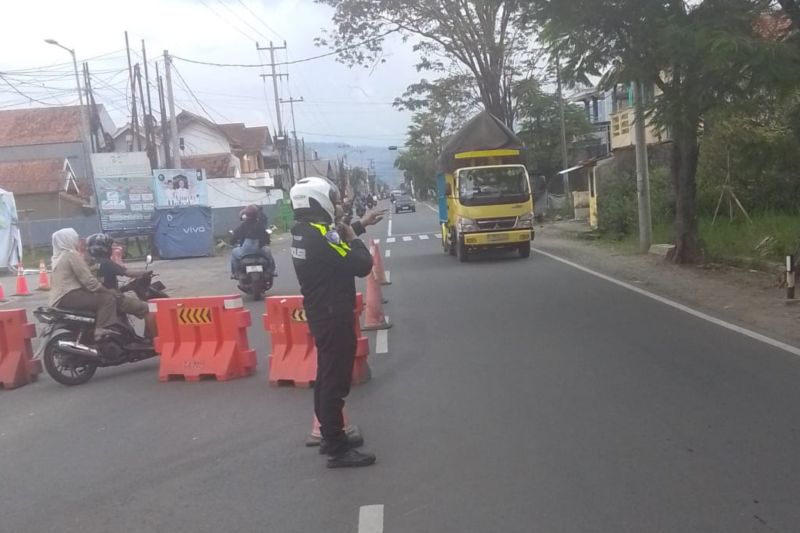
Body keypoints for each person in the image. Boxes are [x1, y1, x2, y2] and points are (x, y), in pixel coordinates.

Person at [290, 176, 385, 468]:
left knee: (326, 376)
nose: (337, 205)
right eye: (331, 199)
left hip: (322, 312)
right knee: (335, 380)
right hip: (333, 315)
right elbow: (361, 264)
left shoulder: (303, 231)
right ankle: (336, 447)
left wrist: (360, 224)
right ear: (318, 201)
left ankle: (331, 435)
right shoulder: (320, 237)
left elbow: (335, 244)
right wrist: (356, 239)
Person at [49, 228, 118, 341]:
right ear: (69, 239)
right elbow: (88, 279)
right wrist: (105, 290)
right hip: (70, 295)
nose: (77, 241)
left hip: (59, 298)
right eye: (75, 238)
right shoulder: (71, 254)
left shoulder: (57, 257)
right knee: (108, 299)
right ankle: (100, 329)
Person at [85, 233, 157, 340]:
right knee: (150, 308)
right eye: (109, 246)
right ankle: (155, 340)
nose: (111, 248)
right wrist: (145, 272)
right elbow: (128, 272)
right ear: (104, 248)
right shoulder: (107, 263)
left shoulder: (89, 264)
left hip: (97, 297)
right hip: (114, 298)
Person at [230, 204, 275, 277]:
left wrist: (232, 243)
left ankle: (235, 273)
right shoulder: (260, 226)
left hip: (244, 252)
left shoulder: (242, 226)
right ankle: (271, 271)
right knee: (268, 252)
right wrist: (265, 242)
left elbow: (233, 240)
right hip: (259, 252)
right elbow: (267, 240)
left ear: (246, 215)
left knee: (233, 253)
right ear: (257, 214)